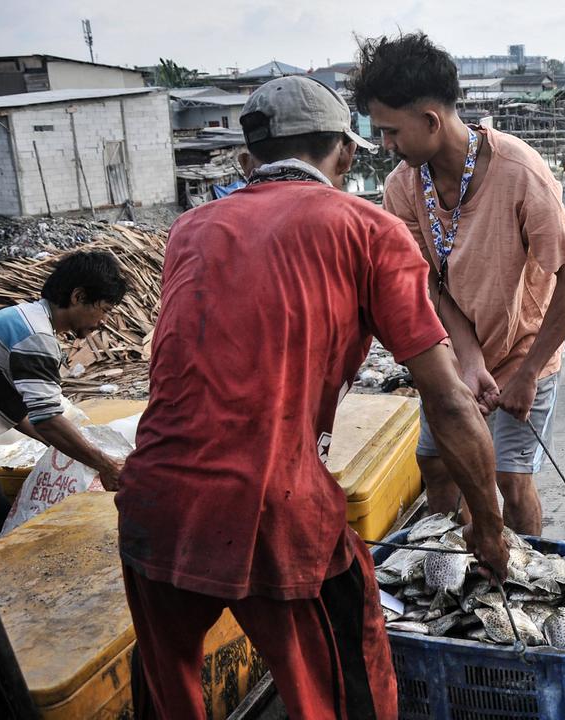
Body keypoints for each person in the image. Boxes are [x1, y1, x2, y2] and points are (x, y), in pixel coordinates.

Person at [115, 75, 510, 720]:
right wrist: (489, 528)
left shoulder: (189, 228)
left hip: (153, 502)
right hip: (273, 507)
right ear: (346, 153)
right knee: (347, 690)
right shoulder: (371, 230)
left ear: (249, 158)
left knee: (168, 698)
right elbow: (447, 401)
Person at [352, 33, 565, 536]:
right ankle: (459, 563)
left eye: (391, 131)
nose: (386, 145)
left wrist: (527, 374)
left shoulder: (519, 172)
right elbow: (430, 283)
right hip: (457, 355)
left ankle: (525, 571)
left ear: (431, 121)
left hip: (525, 350)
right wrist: (468, 359)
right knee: (439, 468)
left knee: (511, 480)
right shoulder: (402, 187)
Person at [0, 251, 127, 548]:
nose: (103, 321)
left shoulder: (25, 318)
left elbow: (19, 410)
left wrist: (68, 450)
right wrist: (105, 465)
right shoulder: (36, 337)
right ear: (78, 296)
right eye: (103, 310)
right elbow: (48, 419)